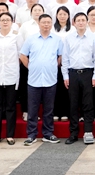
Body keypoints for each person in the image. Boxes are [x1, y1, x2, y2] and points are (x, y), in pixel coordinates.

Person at [20, 14, 63, 145]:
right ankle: (31, 135)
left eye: (48, 22)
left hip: (50, 79)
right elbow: (22, 55)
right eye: (43, 22)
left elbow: (60, 56)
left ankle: (48, 134)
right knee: (32, 110)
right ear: (39, 23)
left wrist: (53, 66)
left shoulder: (57, 39)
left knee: (49, 109)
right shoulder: (31, 39)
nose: (46, 24)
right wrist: (31, 67)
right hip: (34, 79)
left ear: (51, 24)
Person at [62, 12, 95, 145]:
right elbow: (65, 58)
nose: (81, 22)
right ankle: (73, 133)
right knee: (73, 104)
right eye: (78, 20)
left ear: (87, 22)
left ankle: (88, 132)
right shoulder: (68, 38)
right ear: (74, 23)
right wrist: (65, 75)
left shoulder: (93, 37)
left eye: (83, 20)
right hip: (72, 73)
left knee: (88, 103)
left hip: (88, 73)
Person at [0, 12, 20, 146]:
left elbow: (20, 53)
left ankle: (10, 135)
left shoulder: (16, 36)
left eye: (8, 20)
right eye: (2, 20)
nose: (5, 22)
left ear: (12, 22)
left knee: (11, 106)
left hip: (11, 74)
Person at [53, 6, 72, 122]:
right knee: (56, 87)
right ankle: (56, 112)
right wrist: (58, 56)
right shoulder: (52, 29)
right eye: (60, 14)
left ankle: (65, 112)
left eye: (65, 14)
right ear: (56, 16)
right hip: (55, 61)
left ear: (68, 16)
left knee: (67, 87)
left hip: (69, 62)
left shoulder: (73, 29)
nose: (62, 16)